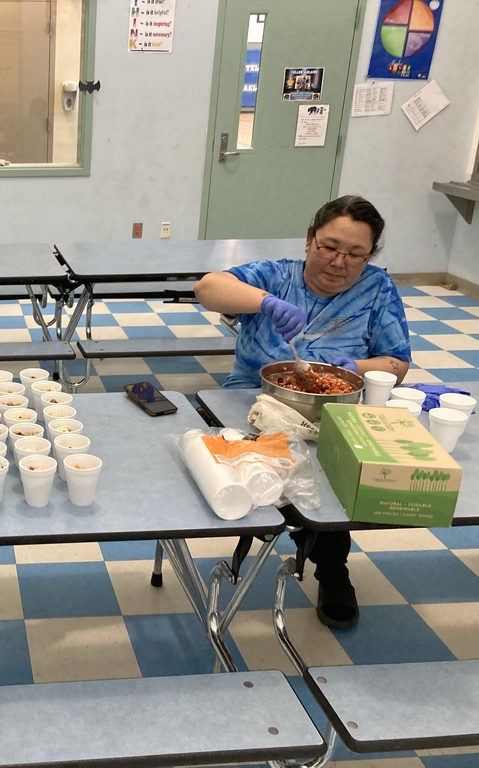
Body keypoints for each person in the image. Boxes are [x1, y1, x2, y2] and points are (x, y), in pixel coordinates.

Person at [194, 195, 411, 629]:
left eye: (355, 254)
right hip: (251, 400)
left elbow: (397, 363)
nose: (339, 262)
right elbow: (207, 288)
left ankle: (333, 572)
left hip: (337, 408)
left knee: (332, 481)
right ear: (310, 239)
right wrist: (265, 303)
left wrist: (357, 368)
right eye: (329, 247)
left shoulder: (377, 289)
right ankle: (263, 530)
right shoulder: (277, 276)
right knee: (250, 468)